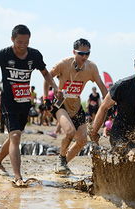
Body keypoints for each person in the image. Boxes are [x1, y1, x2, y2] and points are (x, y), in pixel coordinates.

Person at [0, 24, 59, 187]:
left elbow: (45, 73)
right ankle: (18, 176)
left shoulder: (35, 55)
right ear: (12, 39)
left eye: (26, 42)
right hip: (8, 102)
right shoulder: (3, 54)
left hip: (24, 103)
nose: (22, 46)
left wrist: (55, 88)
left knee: (14, 136)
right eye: (19, 42)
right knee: (15, 136)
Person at [44, 38, 107, 175]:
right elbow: (47, 77)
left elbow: (102, 86)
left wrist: (110, 103)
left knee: (82, 140)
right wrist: (45, 99)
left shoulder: (91, 67)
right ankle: (61, 159)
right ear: (74, 52)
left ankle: (63, 164)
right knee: (70, 132)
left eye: (87, 54)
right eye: (81, 53)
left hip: (76, 105)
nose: (84, 57)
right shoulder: (63, 64)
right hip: (61, 104)